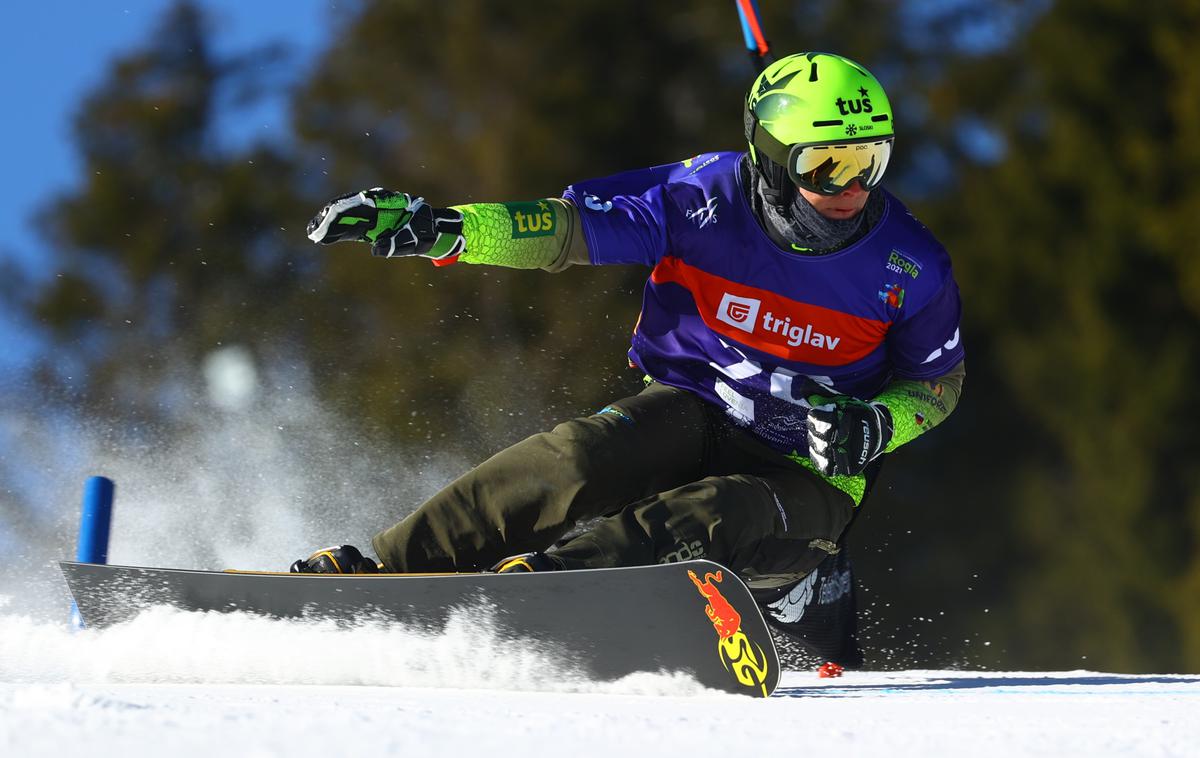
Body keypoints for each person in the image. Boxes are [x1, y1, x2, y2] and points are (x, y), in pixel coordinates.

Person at [293, 52, 965, 670]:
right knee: (578, 457)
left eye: (869, 164)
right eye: (827, 166)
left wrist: (874, 425)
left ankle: (555, 588)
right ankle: (387, 567)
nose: (851, 190)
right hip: (699, 410)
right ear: (771, 158)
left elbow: (937, 384)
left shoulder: (909, 265)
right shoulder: (701, 201)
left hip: (810, 474)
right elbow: (566, 229)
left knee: (717, 511)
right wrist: (449, 230)